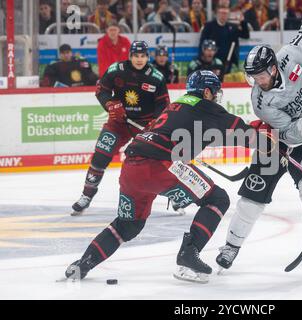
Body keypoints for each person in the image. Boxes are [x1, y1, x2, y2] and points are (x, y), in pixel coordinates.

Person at [65, 70, 269, 283]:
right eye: (215, 92)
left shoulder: (176, 105)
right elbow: (246, 135)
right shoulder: (208, 107)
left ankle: (83, 264)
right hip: (161, 165)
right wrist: (271, 144)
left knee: (128, 225)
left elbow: (212, 136)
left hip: (131, 167)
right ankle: (189, 253)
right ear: (207, 92)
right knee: (217, 199)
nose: (216, 97)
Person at [216, 20, 302, 272]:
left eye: (262, 75)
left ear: (275, 67)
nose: (258, 81)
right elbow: (287, 132)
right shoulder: (260, 101)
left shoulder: (291, 55)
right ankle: (231, 246)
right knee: (251, 197)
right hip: (274, 142)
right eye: (253, 77)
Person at [71, 41, 170, 215]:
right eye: (136, 56)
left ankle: (174, 196)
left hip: (144, 125)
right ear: (130, 56)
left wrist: (155, 123)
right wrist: (110, 104)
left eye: (143, 56)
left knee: (161, 160)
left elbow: (163, 104)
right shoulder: (116, 70)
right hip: (118, 123)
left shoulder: (157, 77)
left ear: (148, 57)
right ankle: (86, 195)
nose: (139, 59)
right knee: (101, 155)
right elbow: (101, 90)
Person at [199, 5, 250, 74]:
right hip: (212, 61)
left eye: (225, 13)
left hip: (229, 61)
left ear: (228, 15)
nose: (223, 15)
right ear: (217, 14)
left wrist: (243, 22)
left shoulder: (232, 27)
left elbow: (246, 35)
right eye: (221, 13)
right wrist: (202, 59)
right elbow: (202, 42)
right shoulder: (209, 26)